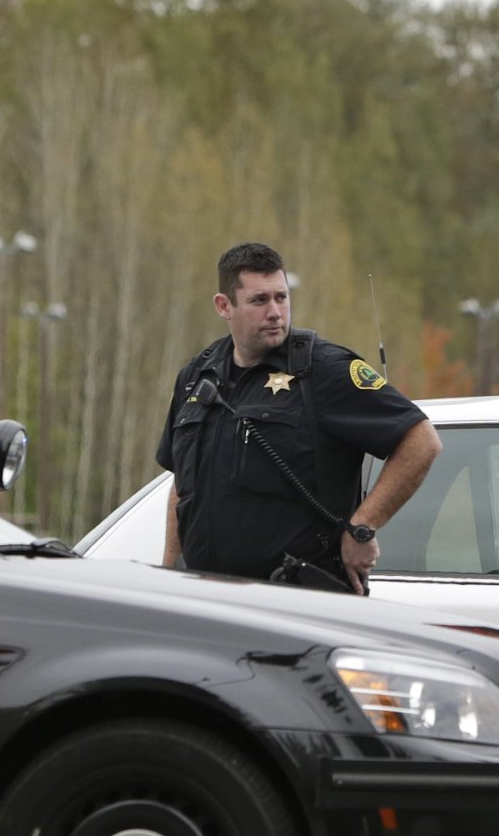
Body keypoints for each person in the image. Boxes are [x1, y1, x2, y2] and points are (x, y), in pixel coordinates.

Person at [156, 242, 440, 593]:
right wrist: (169, 571)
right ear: (224, 306)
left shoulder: (323, 371)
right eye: (260, 300)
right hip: (209, 597)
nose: (275, 312)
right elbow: (183, 485)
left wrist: (362, 527)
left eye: (282, 297)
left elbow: (421, 440)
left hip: (300, 599)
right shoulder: (197, 377)